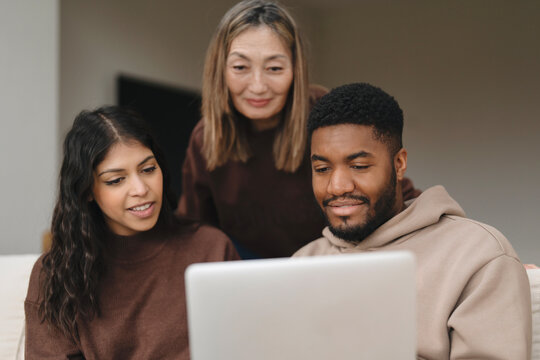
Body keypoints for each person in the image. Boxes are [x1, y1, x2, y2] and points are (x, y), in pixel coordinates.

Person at [293, 83, 532, 359]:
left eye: (358, 166)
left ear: (399, 164)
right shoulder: (302, 264)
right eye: (322, 169)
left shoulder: (478, 256)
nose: (337, 187)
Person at [177, 0, 421, 259]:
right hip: (251, 269)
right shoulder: (206, 138)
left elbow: (393, 195)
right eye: (240, 67)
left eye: (274, 68)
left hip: (331, 257)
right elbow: (193, 228)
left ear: (296, 69)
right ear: (220, 70)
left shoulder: (324, 117)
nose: (258, 86)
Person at [25, 106, 239, 359]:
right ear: (87, 191)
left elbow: (246, 345)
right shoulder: (54, 274)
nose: (140, 189)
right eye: (116, 180)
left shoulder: (211, 248)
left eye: (148, 169)